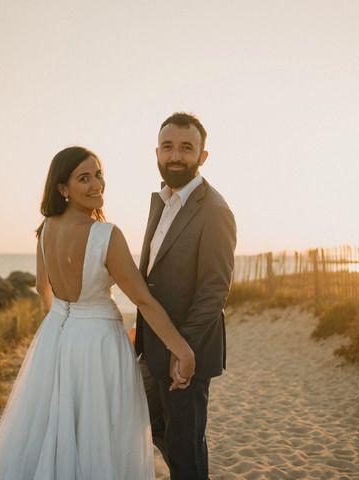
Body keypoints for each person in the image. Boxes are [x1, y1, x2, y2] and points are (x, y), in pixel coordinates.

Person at [0, 146, 195, 480]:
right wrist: (182, 349)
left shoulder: (46, 228)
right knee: (99, 434)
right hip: (99, 345)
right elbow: (144, 301)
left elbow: (41, 288)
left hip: (56, 339)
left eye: (99, 174)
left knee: (57, 431)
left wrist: (64, 322)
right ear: (63, 189)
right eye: (84, 178)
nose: (97, 185)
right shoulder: (106, 235)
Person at [135, 112, 237, 479]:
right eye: (168, 147)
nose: (175, 155)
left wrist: (184, 349)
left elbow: (214, 290)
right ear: (157, 152)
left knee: (186, 448)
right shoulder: (162, 201)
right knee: (149, 424)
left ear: (202, 157)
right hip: (152, 346)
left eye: (186, 148)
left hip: (185, 355)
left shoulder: (214, 211)